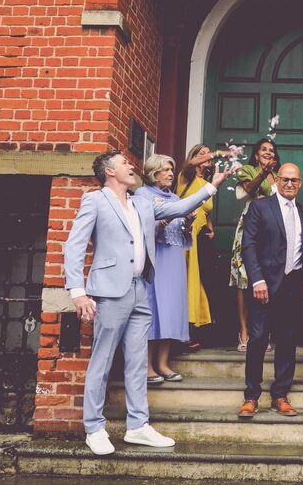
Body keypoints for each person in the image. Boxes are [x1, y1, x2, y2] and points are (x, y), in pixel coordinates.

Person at [64, 150, 232, 456]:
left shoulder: (142, 200)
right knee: (101, 361)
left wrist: (212, 186)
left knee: (138, 361)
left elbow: (179, 206)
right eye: (125, 163)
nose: (132, 166)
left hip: (141, 289)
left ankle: (138, 426)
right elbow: (74, 246)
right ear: (110, 171)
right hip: (111, 291)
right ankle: (94, 428)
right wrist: (78, 291)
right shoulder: (96, 200)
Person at [237, 163, 303, 418]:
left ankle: (280, 394)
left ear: (300, 184)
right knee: (257, 340)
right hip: (264, 286)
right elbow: (249, 245)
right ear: (277, 180)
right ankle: (251, 396)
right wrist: (257, 280)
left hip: (293, 286)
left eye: (295, 180)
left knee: (288, 341)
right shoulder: (260, 206)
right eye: (286, 179)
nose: (290, 184)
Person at [135, 154, 191, 384]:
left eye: (171, 169)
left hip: (174, 258)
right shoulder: (143, 195)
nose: (170, 174)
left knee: (172, 310)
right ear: (152, 172)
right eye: (166, 170)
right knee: (154, 309)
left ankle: (163, 363)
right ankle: (148, 366)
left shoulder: (176, 197)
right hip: (155, 257)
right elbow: (144, 230)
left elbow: (183, 236)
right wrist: (165, 220)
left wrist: (188, 222)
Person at [229, 138, 280, 352]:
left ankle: (263, 332)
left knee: (266, 279)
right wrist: (263, 173)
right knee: (243, 280)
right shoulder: (247, 170)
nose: (268, 152)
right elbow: (246, 192)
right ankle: (244, 331)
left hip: (270, 233)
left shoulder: (279, 177)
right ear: (256, 154)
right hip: (249, 228)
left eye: (271, 150)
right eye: (263, 150)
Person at [177, 144, 224, 350]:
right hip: (185, 237)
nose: (206, 157)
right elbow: (189, 164)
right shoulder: (185, 176)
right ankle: (184, 334)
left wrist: (211, 228)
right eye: (201, 153)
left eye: (208, 153)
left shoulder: (207, 182)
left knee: (206, 282)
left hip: (202, 237)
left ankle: (201, 332)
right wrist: (214, 153)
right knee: (188, 282)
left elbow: (206, 209)